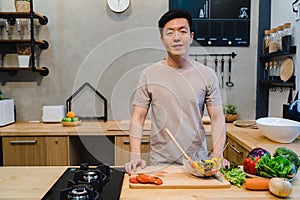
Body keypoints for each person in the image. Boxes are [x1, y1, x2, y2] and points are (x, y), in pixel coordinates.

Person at [125, 9, 226, 175]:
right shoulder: (149, 74)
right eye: (170, 33)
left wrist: (217, 154)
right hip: (161, 162)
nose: (177, 37)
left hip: (198, 161)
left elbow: (217, 117)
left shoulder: (207, 74)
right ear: (162, 39)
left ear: (191, 36)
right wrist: (135, 155)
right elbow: (138, 117)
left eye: (183, 31)